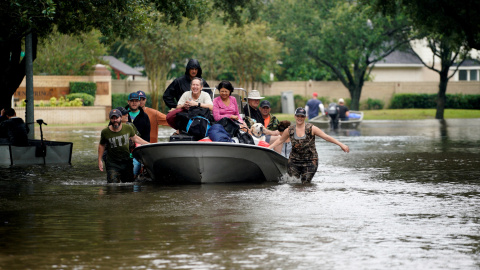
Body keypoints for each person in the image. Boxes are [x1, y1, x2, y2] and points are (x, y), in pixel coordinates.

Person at [268, 107, 349, 183]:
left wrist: (341, 144)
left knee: (305, 184)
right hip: (294, 161)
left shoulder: (312, 128)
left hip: (310, 161)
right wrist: (268, 148)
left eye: (302, 116)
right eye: (298, 116)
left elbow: (326, 137)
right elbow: (280, 140)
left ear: (305, 117)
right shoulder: (289, 130)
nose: (300, 118)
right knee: (293, 184)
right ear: (295, 116)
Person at [98, 109, 149, 183]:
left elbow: (135, 138)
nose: (115, 120)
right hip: (112, 164)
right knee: (113, 187)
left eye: (117, 118)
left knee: (128, 186)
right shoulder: (105, 132)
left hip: (126, 162)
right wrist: (100, 160)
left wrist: (148, 144)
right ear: (110, 119)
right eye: (113, 118)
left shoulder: (128, 128)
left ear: (121, 118)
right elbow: (101, 145)